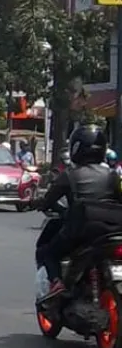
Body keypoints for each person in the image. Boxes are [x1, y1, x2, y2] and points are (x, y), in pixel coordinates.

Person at [36, 124, 122, 300]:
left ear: (76, 148)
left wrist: (44, 205)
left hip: (80, 232)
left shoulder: (69, 175)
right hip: (112, 230)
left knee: (47, 252)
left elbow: (48, 202)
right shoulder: (112, 175)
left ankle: (56, 283)